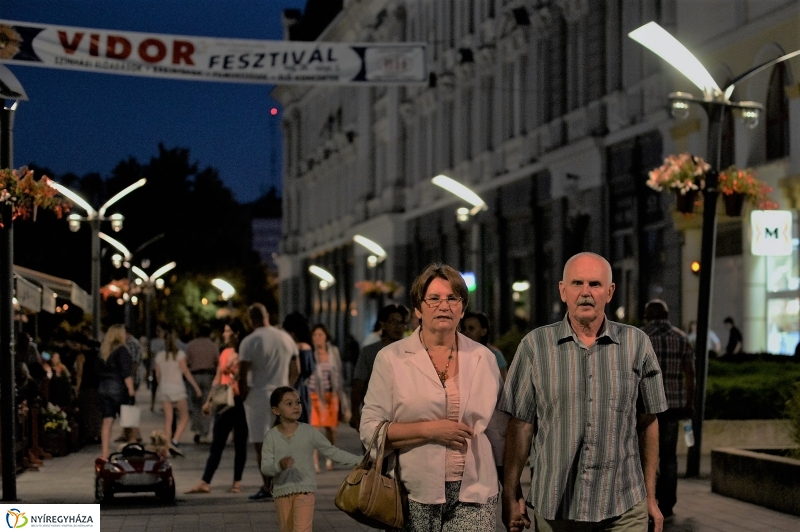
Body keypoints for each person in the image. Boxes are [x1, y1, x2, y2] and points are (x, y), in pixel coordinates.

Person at [500, 252, 668, 532]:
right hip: (556, 507)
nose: (586, 293)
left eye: (595, 284)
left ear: (610, 291)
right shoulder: (535, 346)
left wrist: (650, 496)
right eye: (577, 283)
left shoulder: (636, 343)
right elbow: (520, 425)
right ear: (563, 291)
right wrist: (511, 494)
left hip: (624, 505)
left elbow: (648, 422)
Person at [360, 263, 508, 530]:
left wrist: (511, 490)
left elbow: (497, 431)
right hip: (412, 491)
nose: (444, 306)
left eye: (453, 298)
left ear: (462, 308)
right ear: (418, 309)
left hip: (475, 490)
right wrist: (430, 430)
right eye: (434, 298)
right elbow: (369, 430)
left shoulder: (483, 358)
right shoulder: (392, 358)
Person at [262, 386, 361, 532]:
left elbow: (333, 452)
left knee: (303, 529)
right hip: (281, 492)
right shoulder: (271, 437)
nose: (296, 407)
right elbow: (265, 467)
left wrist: (361, 460)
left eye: (298, 402)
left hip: (305, 492)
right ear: (276, 410)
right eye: (289, 404)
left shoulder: (308, 432)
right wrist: (279, 466)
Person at [238, 303, 300, 501]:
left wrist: (244, 395)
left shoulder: (250, 341)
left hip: (258, 394)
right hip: (282, 396)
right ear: (267, 316)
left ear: (251, 320)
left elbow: (243, 373)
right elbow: (296, 369)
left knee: (261, 444)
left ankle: (268, 486)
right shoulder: (285, 338)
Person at [642, 300, 695, 521]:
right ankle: (668, 503)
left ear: (647, 316)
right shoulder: (680, 337)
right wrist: (689, 402)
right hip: (673, 406)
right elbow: (690, 373)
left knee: (645, 455)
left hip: (646, 407)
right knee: (669, 456)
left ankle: (648, 500)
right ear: (667, 314)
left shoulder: (641, 337)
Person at [185, 319, 249, 495]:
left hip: (241, 401)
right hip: (224, 400)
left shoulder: (246, 352)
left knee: (240, 443)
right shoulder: (224, 352)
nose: (224, 334)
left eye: (227, 331)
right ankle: (205, 481)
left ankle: (237, 482)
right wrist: (209, 400)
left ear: (236, 333)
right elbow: (218, 378)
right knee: (217, 442)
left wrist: (237, 372)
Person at [349, 303, 409, 431]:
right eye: (393, 322)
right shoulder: (370, 352)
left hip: (403, 415)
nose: (398, 327)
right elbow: (358, 384)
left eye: (401, 323)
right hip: (376, 414)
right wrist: (355, 413)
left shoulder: (411, 351)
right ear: (383, 324)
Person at [155, 332, 202, 455]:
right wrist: (196, 388)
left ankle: (166, 446)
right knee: (184, 416)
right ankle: (175, 441)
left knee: (168, 419)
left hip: (164, 389)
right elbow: (186, 372)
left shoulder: (160, 356)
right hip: (178, 389)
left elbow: (158, 375)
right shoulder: (180, 355)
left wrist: (162, 385)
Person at [309, 323, 344, 473]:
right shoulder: (310, 353)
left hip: (331, 395)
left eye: (320, 335)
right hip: (314, 395)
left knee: (331, 429)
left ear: (326, 337)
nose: (317, 338)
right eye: (315, 335)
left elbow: (339, 374)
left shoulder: (333, 352)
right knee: (314, 430)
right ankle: (314, 463)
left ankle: (330, 458)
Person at [97, 324, 136, 460]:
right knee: (128, 421)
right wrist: (131, 390)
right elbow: (126, 372)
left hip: (104, 388)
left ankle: (105, 452)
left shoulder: (103, 351)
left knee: (107, 421)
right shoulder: (122, 350)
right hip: (119, 388)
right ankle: (132, 447)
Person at [185, 324, 219, 443]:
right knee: (206, 404)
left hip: (194, 376)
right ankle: (204, 431)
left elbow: (187, 362)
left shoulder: (191, 345)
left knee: (195, 404)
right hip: (208, 376)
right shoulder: (213, 346)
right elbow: (217, 362)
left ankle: (197, 429)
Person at [281, 312, 316, 424]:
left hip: (296, 389)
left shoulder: (299, 348)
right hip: (303, 390)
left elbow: (297, 371)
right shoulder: (307, 347)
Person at [461, 311, 508, 380]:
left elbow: (504, 383)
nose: (466, 332)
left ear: (483, 332)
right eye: (464, 328)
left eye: (471, 329)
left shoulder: (494, 355)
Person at [149, 324, 166, 411]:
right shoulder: (154, 341)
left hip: (165, 367)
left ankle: (164, 404)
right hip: (156, 366)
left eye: (160, 331)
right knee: (154, 387)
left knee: (164, 387)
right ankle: (152, 404)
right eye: (157, 331)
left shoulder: (166, 341)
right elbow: (153, 354)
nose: (158, 333)